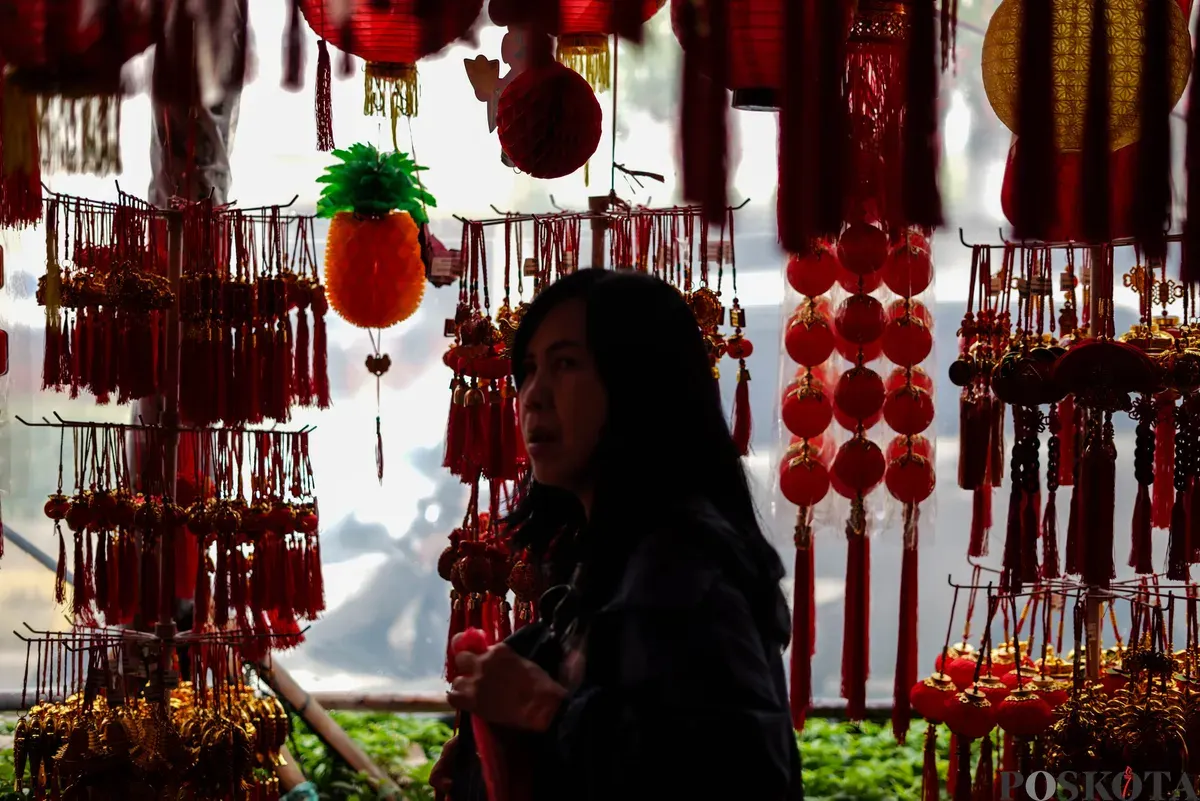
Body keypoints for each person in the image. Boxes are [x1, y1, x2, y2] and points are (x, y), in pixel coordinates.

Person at [430, 268, 802, 800]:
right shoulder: (612, 551)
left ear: (641, 383)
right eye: (528, 370)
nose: (532, 397)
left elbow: (742, 775)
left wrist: (544, 711)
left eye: (565, 364)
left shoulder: (682, 563)